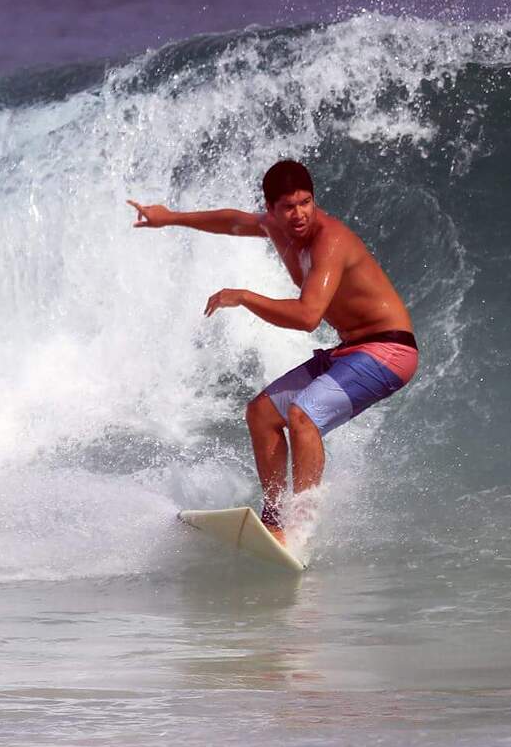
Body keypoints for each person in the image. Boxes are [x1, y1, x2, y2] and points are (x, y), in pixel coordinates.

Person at [128, 160, 417, 545]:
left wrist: (245, 297)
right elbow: (232, 221)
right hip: (352, 350)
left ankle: (301, 525)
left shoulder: (330, 240)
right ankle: (274, 518)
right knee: (262, 413)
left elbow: (308, 316)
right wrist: (171, 218)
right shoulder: (274, 227)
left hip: (389, 350)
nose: (299, 214)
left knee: (303, 416)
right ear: (272, 209)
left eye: (306, 203)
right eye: (288, 207)